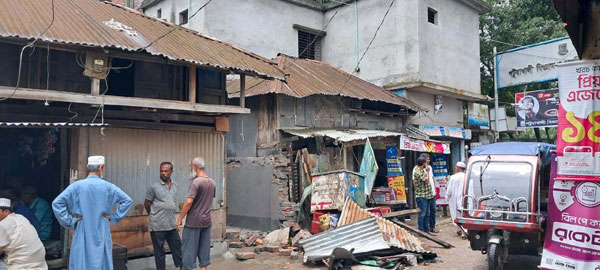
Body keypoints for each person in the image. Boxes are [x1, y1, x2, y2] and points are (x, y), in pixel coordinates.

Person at [52, 155, 132, 270]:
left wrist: (70, 220)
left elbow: (57, 203)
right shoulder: (108, 187)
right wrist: (114, 217)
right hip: (101, 227)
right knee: (101, 258)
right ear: (101, 168)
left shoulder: (76, 186)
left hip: (82, 226)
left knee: (81, 258)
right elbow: (127, 200)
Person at [176, 157, 216, 270]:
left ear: (195, 167)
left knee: (188, 254)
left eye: (191, 167)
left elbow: (189, 202)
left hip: (193, 222)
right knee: (204, 256)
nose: (191, 169)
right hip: (207, 221)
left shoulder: (196, 182)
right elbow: (209, 200)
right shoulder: (212, 182)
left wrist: (179, 219)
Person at [145, 162, 182, 270]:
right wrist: (154, 215)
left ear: (171, 172)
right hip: (157, 225)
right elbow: (147, 203)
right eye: (161, 171)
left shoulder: (175, 185)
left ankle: (181, 267)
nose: (163, 173)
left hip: (171, 224)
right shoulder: (153, 187)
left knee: (178, 248)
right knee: (159, 252)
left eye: (166, 171)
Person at [0, 197, 47, 270]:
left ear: (6, 211)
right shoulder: (21, 217)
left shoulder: (4, 224)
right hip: (39, 264)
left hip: (20, 265)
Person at [445, 161, 467, 239]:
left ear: (458, 168)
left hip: (455, 200)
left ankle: (463, 232)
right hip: (465, 199)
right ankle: (462, 231)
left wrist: (447, 198)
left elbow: (449, 190)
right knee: (464, 215)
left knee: (457, 216)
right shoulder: (467, 176)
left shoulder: (453, 177)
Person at [414, 156, 434, 233]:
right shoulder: (417, 172)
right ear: (423, 164)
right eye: (425, 162)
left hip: (427, 195)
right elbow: (426, 181)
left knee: (427, 213)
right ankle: (421, 229)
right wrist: (428, 172)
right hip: (422, 196)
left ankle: (426, 229)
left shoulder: (422, 170)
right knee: (422, 213)